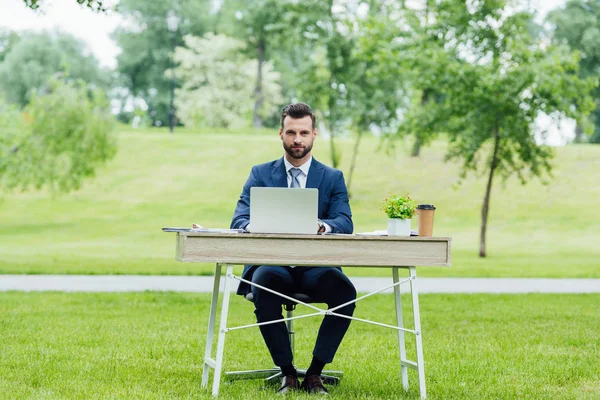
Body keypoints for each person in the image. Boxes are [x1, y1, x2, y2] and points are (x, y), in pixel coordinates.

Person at [230, 103, 357, 394]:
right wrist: (259, 224)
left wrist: (322, 226)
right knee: (263, 282)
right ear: (281, 134)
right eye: (291, 132)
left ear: (314, 134)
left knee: (345, 292)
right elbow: (239, 218)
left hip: (316, 267)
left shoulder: (332, 177)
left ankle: (315, 374)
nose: (297, 139)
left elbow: (344, 221)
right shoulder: (260, 173)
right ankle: (287, 373)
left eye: (303, 132)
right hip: (272, 266)